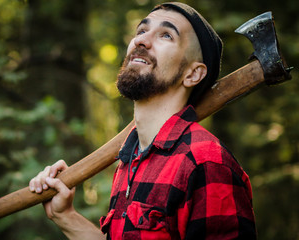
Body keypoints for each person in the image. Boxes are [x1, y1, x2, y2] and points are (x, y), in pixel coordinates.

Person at [29, 2, 257, 239]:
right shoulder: (130, 160)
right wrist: (65, 216)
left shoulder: (206, 162)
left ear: (192, 74)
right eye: (141, 31)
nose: (141, 41)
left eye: (166, 35)